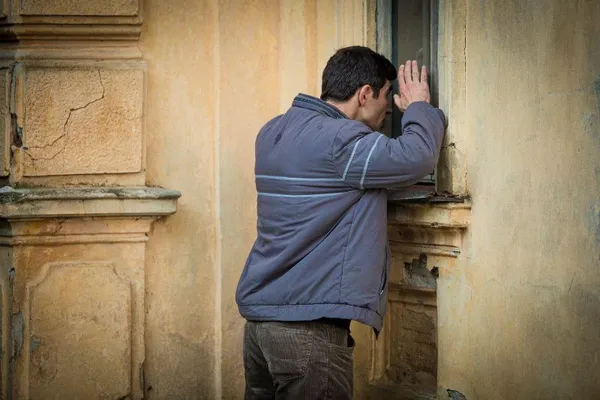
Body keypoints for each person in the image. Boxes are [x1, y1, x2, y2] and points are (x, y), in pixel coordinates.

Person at [236, 45, 445, 399]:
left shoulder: (273, 132)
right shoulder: (341, 142)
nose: (388, 109)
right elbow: (417, 157)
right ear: (364, 94)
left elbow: (328, 191)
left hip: (260, 327)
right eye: (386, 96)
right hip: (307, 333)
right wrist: (419, 107)